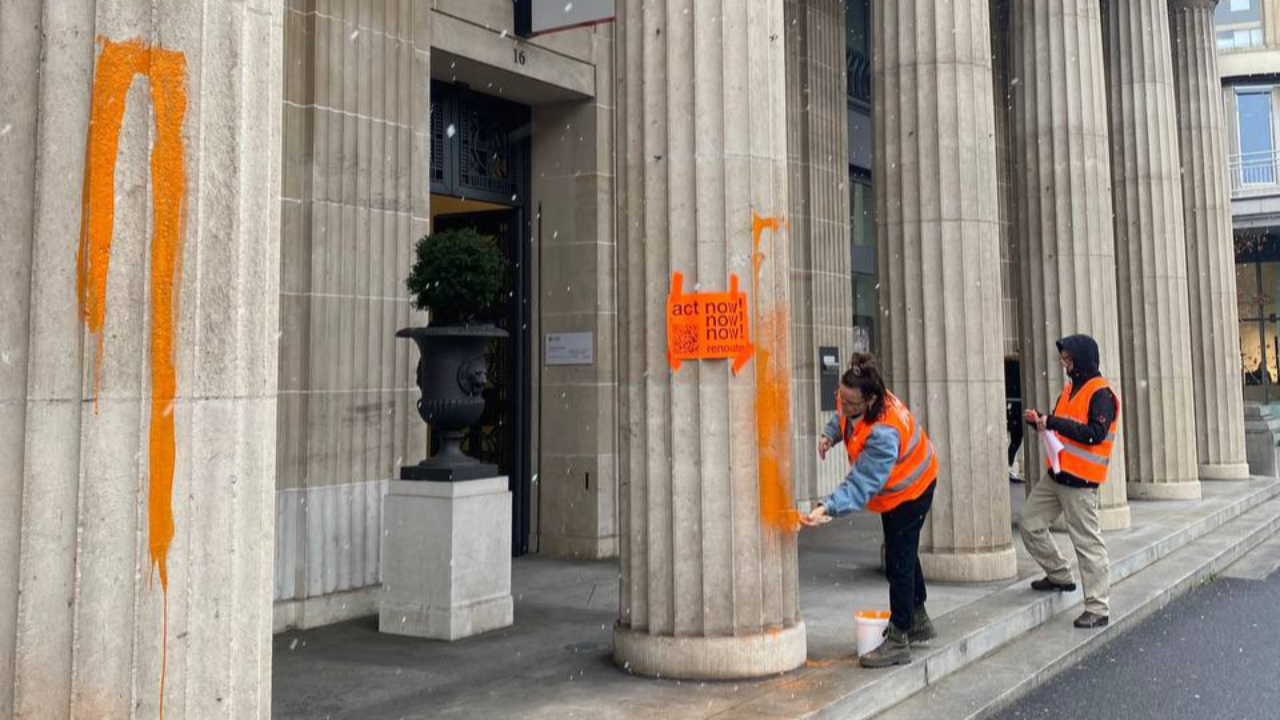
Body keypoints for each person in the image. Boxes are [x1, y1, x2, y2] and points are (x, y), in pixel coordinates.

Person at [800, 353, 938, 668]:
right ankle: (918, 617)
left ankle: (900, 637)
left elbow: (862, 483)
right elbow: (842, 418)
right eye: (841, 398)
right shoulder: (856, 394)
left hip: (913, 489)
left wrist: (828, 506)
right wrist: (830, 434)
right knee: (901, 551)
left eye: (851, 404)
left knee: (898, 561)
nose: (844, 406)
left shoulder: (884, 433)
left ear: (871, 400)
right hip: (899, 490)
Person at [1021, 334, 1117, 630]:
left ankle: (1098, 607)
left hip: (1081, 481)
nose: (1065, 364)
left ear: (1083, 359)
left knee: (1087, 544)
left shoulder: (1102, 393)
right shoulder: (1069, 390)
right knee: (1029, 523)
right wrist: (1041, 421)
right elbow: (1061, 425)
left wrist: (1051, 421)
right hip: (1057, 474)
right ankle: (1060, 575)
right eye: (1064, 359)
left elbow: (1094, 433)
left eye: (1068, 359)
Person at [1006, 356, 1024, 483]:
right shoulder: (1015, 366)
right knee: (1016, 438)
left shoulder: (1011, 366)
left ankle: (1009, 464)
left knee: (1015, 438)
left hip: (1013, 404)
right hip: (1015, 404)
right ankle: (1009, 464)